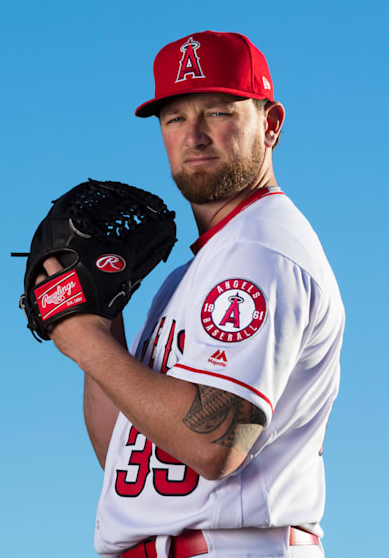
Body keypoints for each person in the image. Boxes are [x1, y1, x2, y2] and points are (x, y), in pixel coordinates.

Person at [37, 31, 344, 557]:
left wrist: (82, 340)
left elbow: (215, 440)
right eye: (175, 118)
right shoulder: (191, 275)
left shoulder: (262, 248)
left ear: (270, 125)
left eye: (219, 112)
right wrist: (103, 318)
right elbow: (123, 452)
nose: (194, 135)